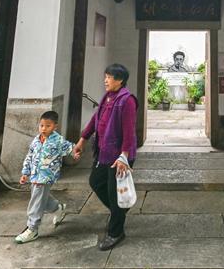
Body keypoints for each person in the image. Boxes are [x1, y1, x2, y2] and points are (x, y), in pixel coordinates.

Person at [73, 63, 137, 251]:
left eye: (109, 77)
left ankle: (116, 232)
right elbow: (96, 119)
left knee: (114, 193)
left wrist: (124, 156)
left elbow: (129, 131)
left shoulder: (127, 100)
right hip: (104, 151)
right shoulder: (107, 97)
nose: (105, 80)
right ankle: (119, 212)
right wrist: (83, 139)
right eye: (105, 76)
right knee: (95, 181)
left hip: (119, 155)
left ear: (120, 80)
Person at [14, 110, 75, 244]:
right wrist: (25, 173)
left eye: (48, 126)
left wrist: (76, 152)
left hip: (46, 176)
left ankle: (32, 228)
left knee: (36, 200)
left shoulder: (57, 140)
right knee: (41, 198)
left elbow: (70, 147)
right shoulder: (36, 140)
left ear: (55, 126)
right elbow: (30, 156)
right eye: (41, 125)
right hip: (35, 175)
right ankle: (58, 208)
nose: (44, 128)